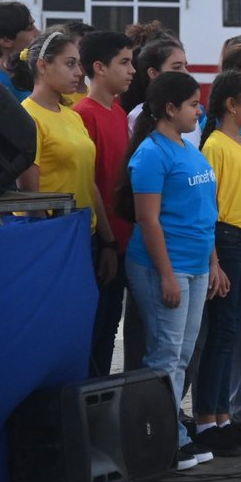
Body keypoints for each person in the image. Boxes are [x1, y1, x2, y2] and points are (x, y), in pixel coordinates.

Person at [118, 71, 228, 471]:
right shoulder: (151, 154)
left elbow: (205, 213)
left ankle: (172, 433)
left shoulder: (188, 148)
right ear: (169, 109)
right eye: (193, 104)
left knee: (182, 354)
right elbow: (148, 221)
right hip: (164, 266)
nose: (199, 110)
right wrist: (165, 275)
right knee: (165, 355)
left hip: (197, 265)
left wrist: (213, 263)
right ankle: (165, 439)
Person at [192, 72, 241, 457]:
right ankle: (207, 419)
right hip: (225, 243)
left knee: (231, 333)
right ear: (231, 105)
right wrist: (215, 262)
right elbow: (209, 208)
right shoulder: (216, 146)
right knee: (221, 335)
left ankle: (223, 417)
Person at [15, 31, 118, 286]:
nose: (79, 72)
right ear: (43, 65)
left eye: (79, 64)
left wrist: (107, 241)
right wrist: (49, 245)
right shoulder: (27, 117)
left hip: (85, 232)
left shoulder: (71, 116)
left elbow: (88, 181)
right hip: (54, 235)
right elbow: (30, 194)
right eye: (70, 64)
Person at [74, 30, 136, 377]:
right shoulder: (85, 114)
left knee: (111, 325)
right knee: (96, 327)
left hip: (125, 237)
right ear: (99, 67)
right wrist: (109, 242)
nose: (132, 71)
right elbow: (93, 183)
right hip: (105, 240)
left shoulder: (116, 111)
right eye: (124, 63)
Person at [123, 35, 199, 146]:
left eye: (185, 66)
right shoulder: (137, 116)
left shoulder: (192, 114)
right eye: (176, 67)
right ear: (153, 73)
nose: (186, 73)